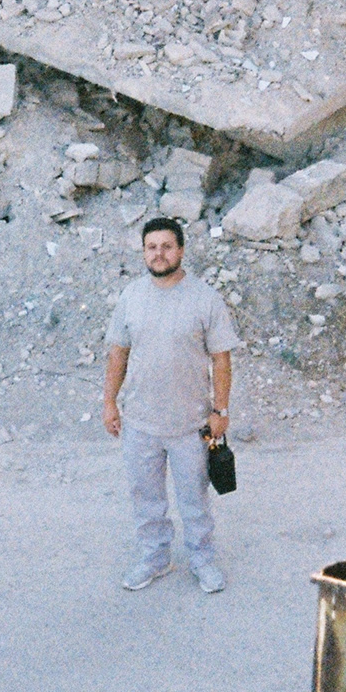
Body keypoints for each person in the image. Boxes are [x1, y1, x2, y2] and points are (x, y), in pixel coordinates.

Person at [102, 213, 239, 595]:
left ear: (180, 250)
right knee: (146, 499)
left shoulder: (205, 298)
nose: (158, 253)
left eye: (166, 246)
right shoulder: (131, 297)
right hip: (140, 423)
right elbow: (118, 354)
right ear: (143, 252)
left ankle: (202, 560)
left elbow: (221, 359)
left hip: (190, 425)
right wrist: (109, 402)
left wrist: (221, 411)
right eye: (151, 247)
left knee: (194, 500)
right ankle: (155, 558)